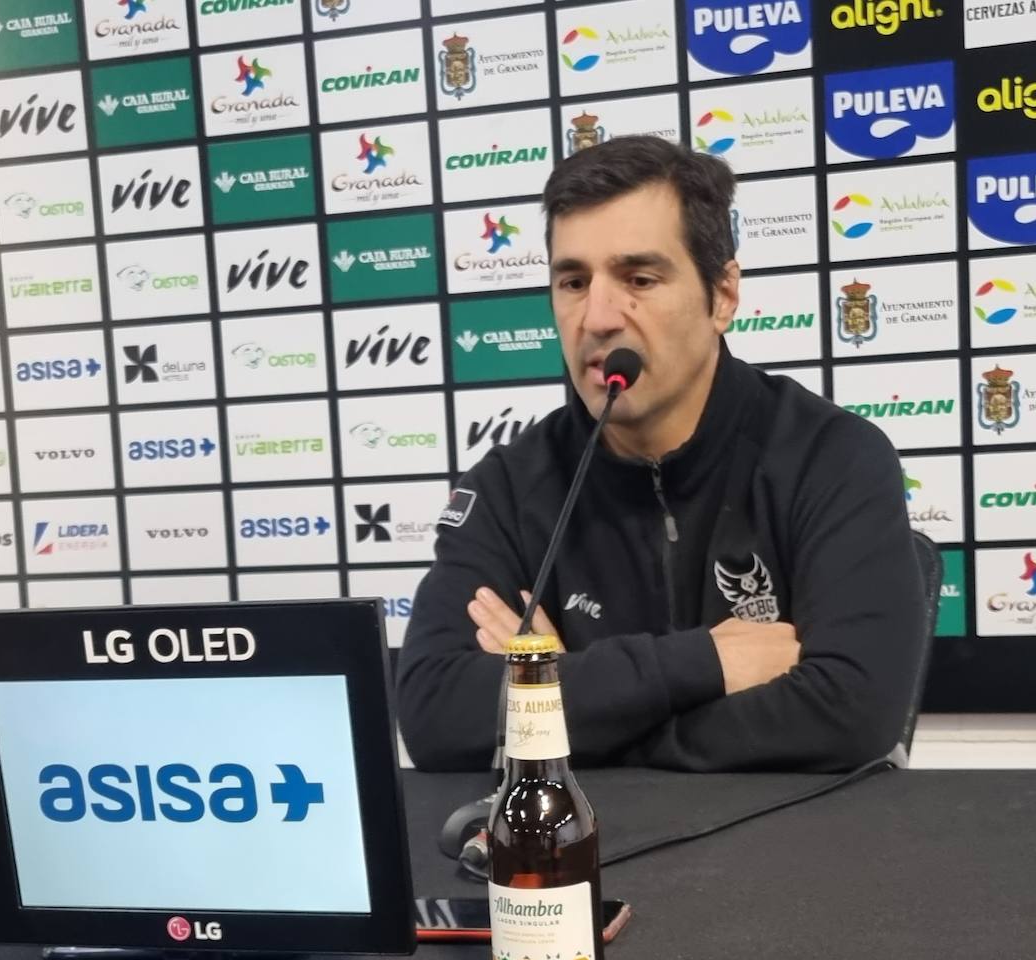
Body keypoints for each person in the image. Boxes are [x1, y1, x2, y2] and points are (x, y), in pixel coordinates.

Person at [396, 136, 925, 773]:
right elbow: (433, 715)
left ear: (722, 295)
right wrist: (706, 663)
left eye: (639, 278)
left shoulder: (831, 456)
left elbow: (853, 712)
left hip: (793, 858)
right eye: (572, 281)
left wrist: (565, 703)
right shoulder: (510, 488)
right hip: (589, 855)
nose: (597, 317)